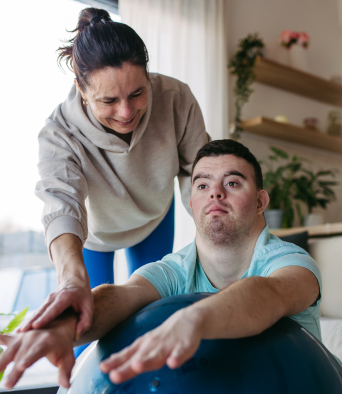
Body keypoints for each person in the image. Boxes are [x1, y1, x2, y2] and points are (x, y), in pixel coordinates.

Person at [0, 140, 342, 394]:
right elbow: (122, 296)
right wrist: (65, 326)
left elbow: (267, 294)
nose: (215, 192)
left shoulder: (291, 262)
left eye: (233, 183)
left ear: (260, 201)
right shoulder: (175, 269)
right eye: (202, 185)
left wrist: (198, 317)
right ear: (191, 203)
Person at [23, 6, 210, 345]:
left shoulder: (175, 97)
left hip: (154, 215)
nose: (126, 113)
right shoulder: (58, 133)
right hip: (95, 234)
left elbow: (200, 171)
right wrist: (69, 278)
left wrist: (220, 239)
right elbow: (61, 205)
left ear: (148, 76)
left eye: (137, 93)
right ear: (81, 88)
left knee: (153, 320)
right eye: (108, 100)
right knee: (86, 329)